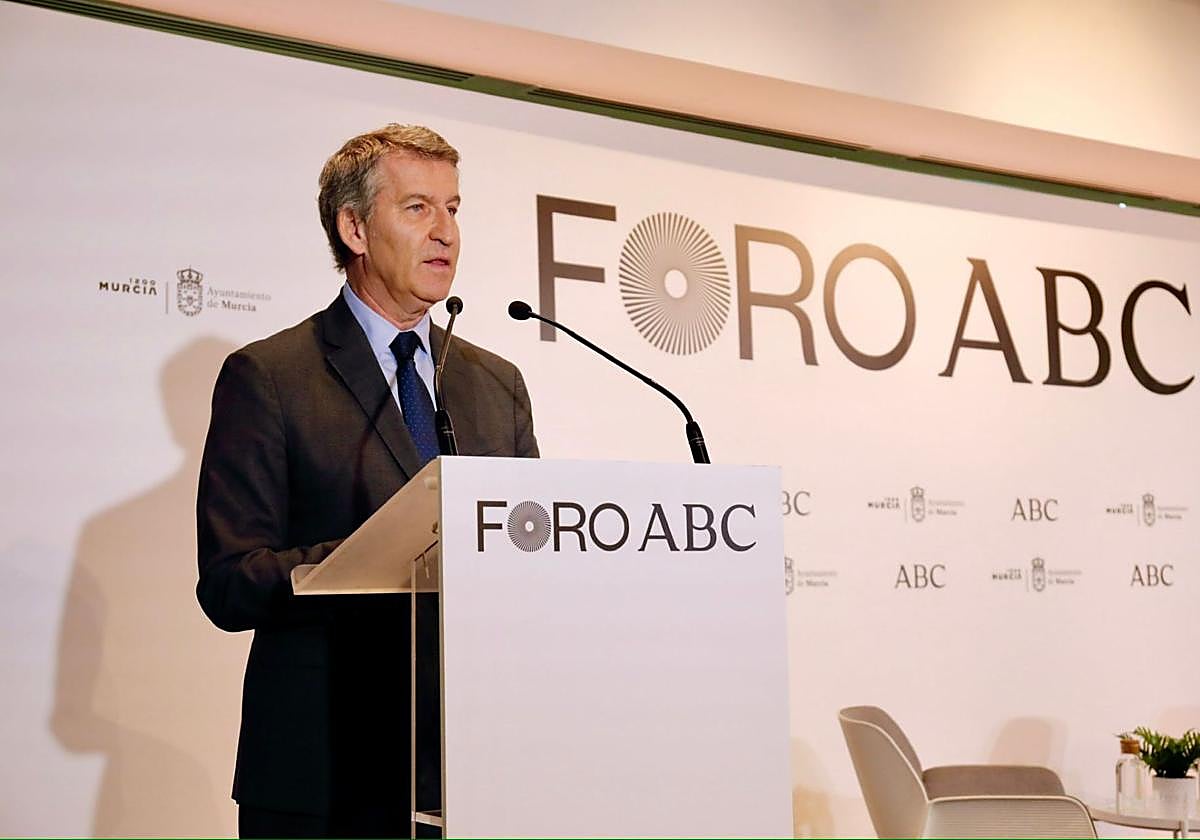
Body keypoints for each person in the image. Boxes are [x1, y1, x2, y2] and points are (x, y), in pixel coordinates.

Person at [196, 124, 539, 838]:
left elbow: (525, 561)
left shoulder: (494, 384)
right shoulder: (271, 377)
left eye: (453, 208)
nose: (445, 231)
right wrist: (369, 556)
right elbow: (230, 581)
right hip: (323, 775)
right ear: (353, 227)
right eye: (417, 208)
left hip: (470, 771)